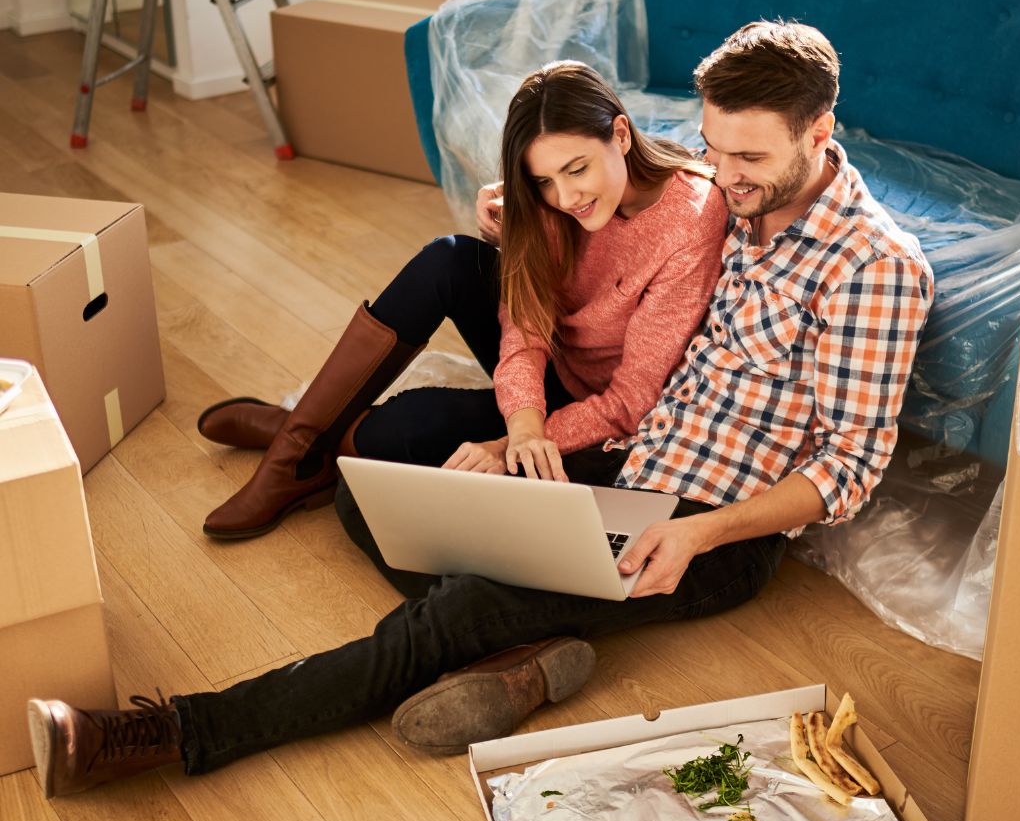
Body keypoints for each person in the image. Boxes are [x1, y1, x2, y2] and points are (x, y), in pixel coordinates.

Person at [28, 21, 933, 800]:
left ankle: (163, 736)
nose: (724, 174)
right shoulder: (739, 201)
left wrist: (702, 535)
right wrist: (531, 217)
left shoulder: (874, 269)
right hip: (626, 465)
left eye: (749, 158)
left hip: (705, 534)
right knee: (369, 501)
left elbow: (848, 468)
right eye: (714, 147)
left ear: (821, 133)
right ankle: (526, 655)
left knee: (454, 610)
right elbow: (642, 183)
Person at [198, 59, 725, 540]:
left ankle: (300, 435)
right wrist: (521, 419)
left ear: (620, 134)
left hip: (590, 406)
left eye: (577, 169)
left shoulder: (689, 222)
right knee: (448, 258)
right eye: (545, 181)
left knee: (395, 431)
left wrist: (517, 441)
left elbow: (629, 403)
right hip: (544, 369)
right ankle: (293, 454)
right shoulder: (546, 195)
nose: (565, 199)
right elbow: (525, 320)